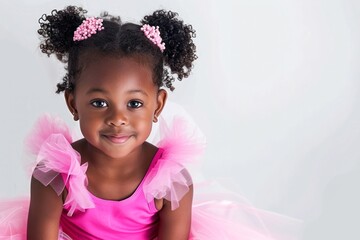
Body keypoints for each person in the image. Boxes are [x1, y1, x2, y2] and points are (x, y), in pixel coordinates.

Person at [0, 5, 302, 240]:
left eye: (134, 104)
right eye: (99, 103)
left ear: (157, 105)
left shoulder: (171, 182)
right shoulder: (54, 175)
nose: (118, 118)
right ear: (72, 104)